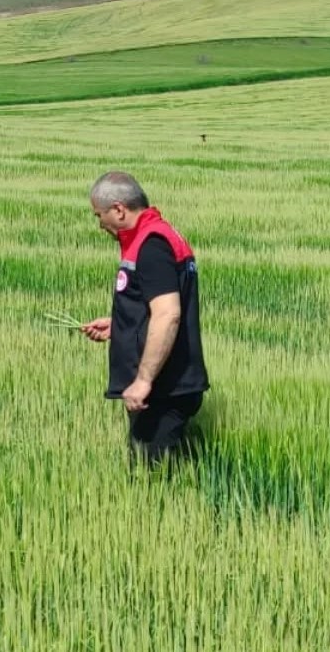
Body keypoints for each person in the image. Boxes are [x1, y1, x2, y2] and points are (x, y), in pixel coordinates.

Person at [80, 172, 208, 465]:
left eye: (99, 215)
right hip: (170, 386)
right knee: (162, 474)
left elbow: (168, 314)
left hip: (164, 391)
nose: (100, 225)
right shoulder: (156, 236)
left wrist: (143, 381)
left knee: (150, 478)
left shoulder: (151, 246)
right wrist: (121, 326)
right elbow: (156, 306)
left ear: (119, 209)